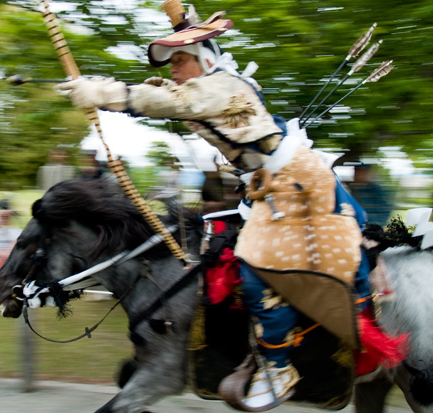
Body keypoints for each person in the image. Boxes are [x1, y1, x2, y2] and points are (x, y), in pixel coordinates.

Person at [58, 1, 371, 409]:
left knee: (260, 269)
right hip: (270, 186)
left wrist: (99, 92)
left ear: (205, 61)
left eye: (180, 59)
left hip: (295, 186)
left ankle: (279, 365)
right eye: (170, 61)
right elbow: (172, 95)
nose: (172, 67)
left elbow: (174, 103)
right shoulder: (211, 84)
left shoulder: (221, 89)